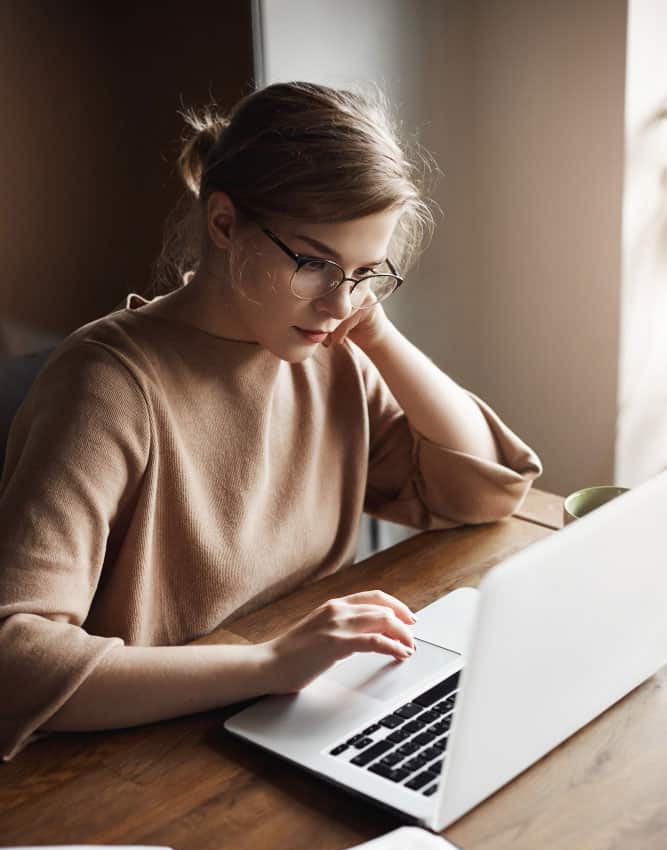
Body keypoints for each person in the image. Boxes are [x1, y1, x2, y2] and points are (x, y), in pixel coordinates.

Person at [0, 82, 541, 760]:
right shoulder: (107, 387)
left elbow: (480, 492)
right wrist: (270, 664)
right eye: (315, 263)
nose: (338, 304)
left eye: (367, 272)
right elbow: (16, 660)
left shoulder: (329, 347)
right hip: (150, 756)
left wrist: (375, 330)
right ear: (223, 224)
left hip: (293, 716)